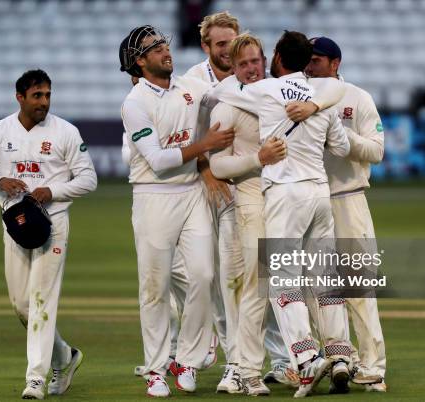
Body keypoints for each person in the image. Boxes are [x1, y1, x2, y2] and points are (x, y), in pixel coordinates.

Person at [213, 31, 353, 398]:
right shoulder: (319, 98)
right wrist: (317, 109)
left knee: (282, 278)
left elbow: (224, 90)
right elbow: (340, 145)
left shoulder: (267, 91)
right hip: (320, 192)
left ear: (275, 57)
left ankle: (306, 359)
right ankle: (339, 357)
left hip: (285, 195)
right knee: (326, 276)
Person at [119, 25, 235, 397]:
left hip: (192, 194)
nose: (165, 51)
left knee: (203, 275)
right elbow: (156, 160)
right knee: (155, 287)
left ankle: (187, 360)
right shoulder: (136, 102)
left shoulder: (189, 86)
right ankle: (155, 369)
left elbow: (228, 92)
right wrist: (205, 145)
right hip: (154, 197)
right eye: (155, 48)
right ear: (140, 61)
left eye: (164, 44)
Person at [0, 69, 97, 400]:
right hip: (16, 224)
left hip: (52, 223)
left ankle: (35, 379)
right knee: (22, 305)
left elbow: (88, 179)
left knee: (41, 300)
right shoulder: (0, 131)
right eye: (37, 96)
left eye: (48, 95)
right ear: (20, 97)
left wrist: (51, 191)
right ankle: (64, 357)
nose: (44, 102)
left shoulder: (65, 131)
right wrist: (0, 181)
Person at [305, 36, 387, 393]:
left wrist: (339, 138)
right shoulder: (297, 97)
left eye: (318, 60)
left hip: (348, 199)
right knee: (318, 290)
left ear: (335, 63)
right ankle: (341, 358)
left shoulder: (357, 97)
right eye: (307, 60)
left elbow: (377, 151)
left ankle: (373, 368)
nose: (310, 66)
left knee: (358, 288)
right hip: (309, 201)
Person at [184, 11, 246, 393]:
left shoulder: (253, 76)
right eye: (220, 44)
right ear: (206, 47)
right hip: (205, 189)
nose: (227, 50)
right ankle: (222, 356)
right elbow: (185, 137)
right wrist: (206, 171)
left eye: (232, 42)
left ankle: (278, 358)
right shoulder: (192, 84)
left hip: (249, 186)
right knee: (211, 280)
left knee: (249, 278)